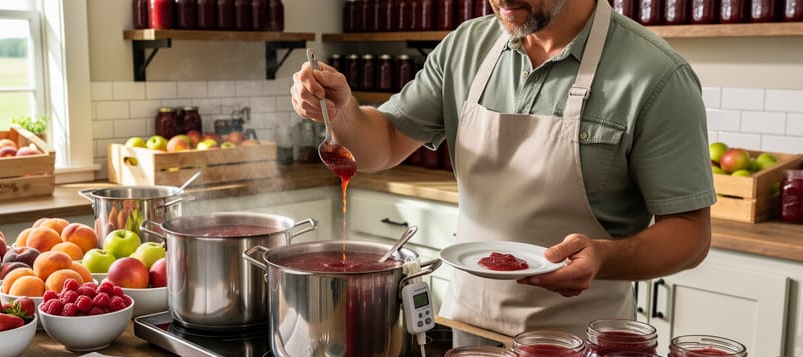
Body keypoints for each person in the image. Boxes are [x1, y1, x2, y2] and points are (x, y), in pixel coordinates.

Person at [290, 0, 716, 339]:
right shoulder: (466, 48)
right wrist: (343, 112)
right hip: (467, 330)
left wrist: (605, 258)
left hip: (578, 350)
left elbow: (691, 235)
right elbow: (383, 144)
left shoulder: (657, 75)